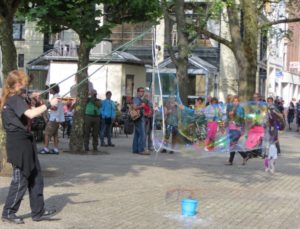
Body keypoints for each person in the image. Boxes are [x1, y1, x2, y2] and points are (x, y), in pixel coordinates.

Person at [1, 70, 58, 224]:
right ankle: (8, 212)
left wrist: (35, 101)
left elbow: (32, 113)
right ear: (18, 83)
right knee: (21, 179)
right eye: (24, 81)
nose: (26, 84)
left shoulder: (19, 99)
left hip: (26, 141)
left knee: (36, 177)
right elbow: (32, 114)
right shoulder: (14, 99)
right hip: (19, 143)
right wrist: (48, 103)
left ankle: (38, 211)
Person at [40, 84, 65, 154]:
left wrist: (46, 105)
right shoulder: (58, 96)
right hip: (57, 119)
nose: (49, 90)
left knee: (47, 133)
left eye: (50, 89)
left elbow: (54, 108)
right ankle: (56, 149)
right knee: (55, 134)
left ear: (53, 90)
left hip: (54, 118)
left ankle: (46, 149)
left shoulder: (55, 97)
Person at [225, 96, 247, 165]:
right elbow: (227, 118)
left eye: (236, 101)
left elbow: (242, 120)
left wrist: (243, 130)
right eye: (234, 101)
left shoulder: (241, 109)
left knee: (233, 144)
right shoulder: (230, 108)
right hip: (231, 128)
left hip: (237, 129)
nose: (235, 102)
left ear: (238, 102)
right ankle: (245, 156)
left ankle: (231, 161)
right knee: (233, 145)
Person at [132, 87, 149, 155]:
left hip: (139, 118)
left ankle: (135, 149)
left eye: (143, 91)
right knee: (142, 134)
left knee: (137, 134)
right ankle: (141, 150)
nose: (142, 92)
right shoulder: (136, 98)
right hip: (138, 118)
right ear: (138, 92)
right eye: (141, 91)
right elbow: (135, 107)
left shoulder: (140, 99)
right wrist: (142, 106)